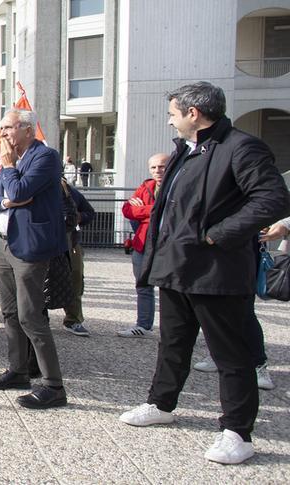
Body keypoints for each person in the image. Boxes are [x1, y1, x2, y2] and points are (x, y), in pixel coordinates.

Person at [118, 82, 290, 465]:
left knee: (231, 354)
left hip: (217, 272)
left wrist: (217, 235)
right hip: (177, 268)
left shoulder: (241, 147)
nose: (170, 120)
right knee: (173, 343)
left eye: (173, 113)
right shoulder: (186, 150)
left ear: (193, 114)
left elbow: (273, 199)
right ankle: (161, 403)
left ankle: (237, 432)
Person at [0, 109, 70, 410]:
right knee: (8, 312)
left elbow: (20, 188)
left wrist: (8, 167)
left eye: (8, 128)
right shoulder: (9, 162)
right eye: (2, 128)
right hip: (4, 245)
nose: (2, 134)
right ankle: (17, 371)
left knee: (31, 315)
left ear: (27, 130)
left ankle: (53, 386)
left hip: (30, 247)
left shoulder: (45, 157)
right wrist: (6, 200)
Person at [118, 153, 168, 338]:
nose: (158, 171)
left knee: (170, 289)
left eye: (161, 166)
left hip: (166, 245)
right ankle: (143, 325)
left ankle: (173, 329)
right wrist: (154, 211)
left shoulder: (175, 186)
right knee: (142, 285)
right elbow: (127, 210)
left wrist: (143, 211)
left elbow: (172, 212)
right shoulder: (146, 186)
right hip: (142, 245)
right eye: (154, 167)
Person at [56, 179, 95, 336]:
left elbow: (89, 213)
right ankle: (39, 317)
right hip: (41, 241)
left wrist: (77, 217)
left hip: (69, 241)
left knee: (75, 278)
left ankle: (73, 319)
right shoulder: (31, 184)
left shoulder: (67, 189)